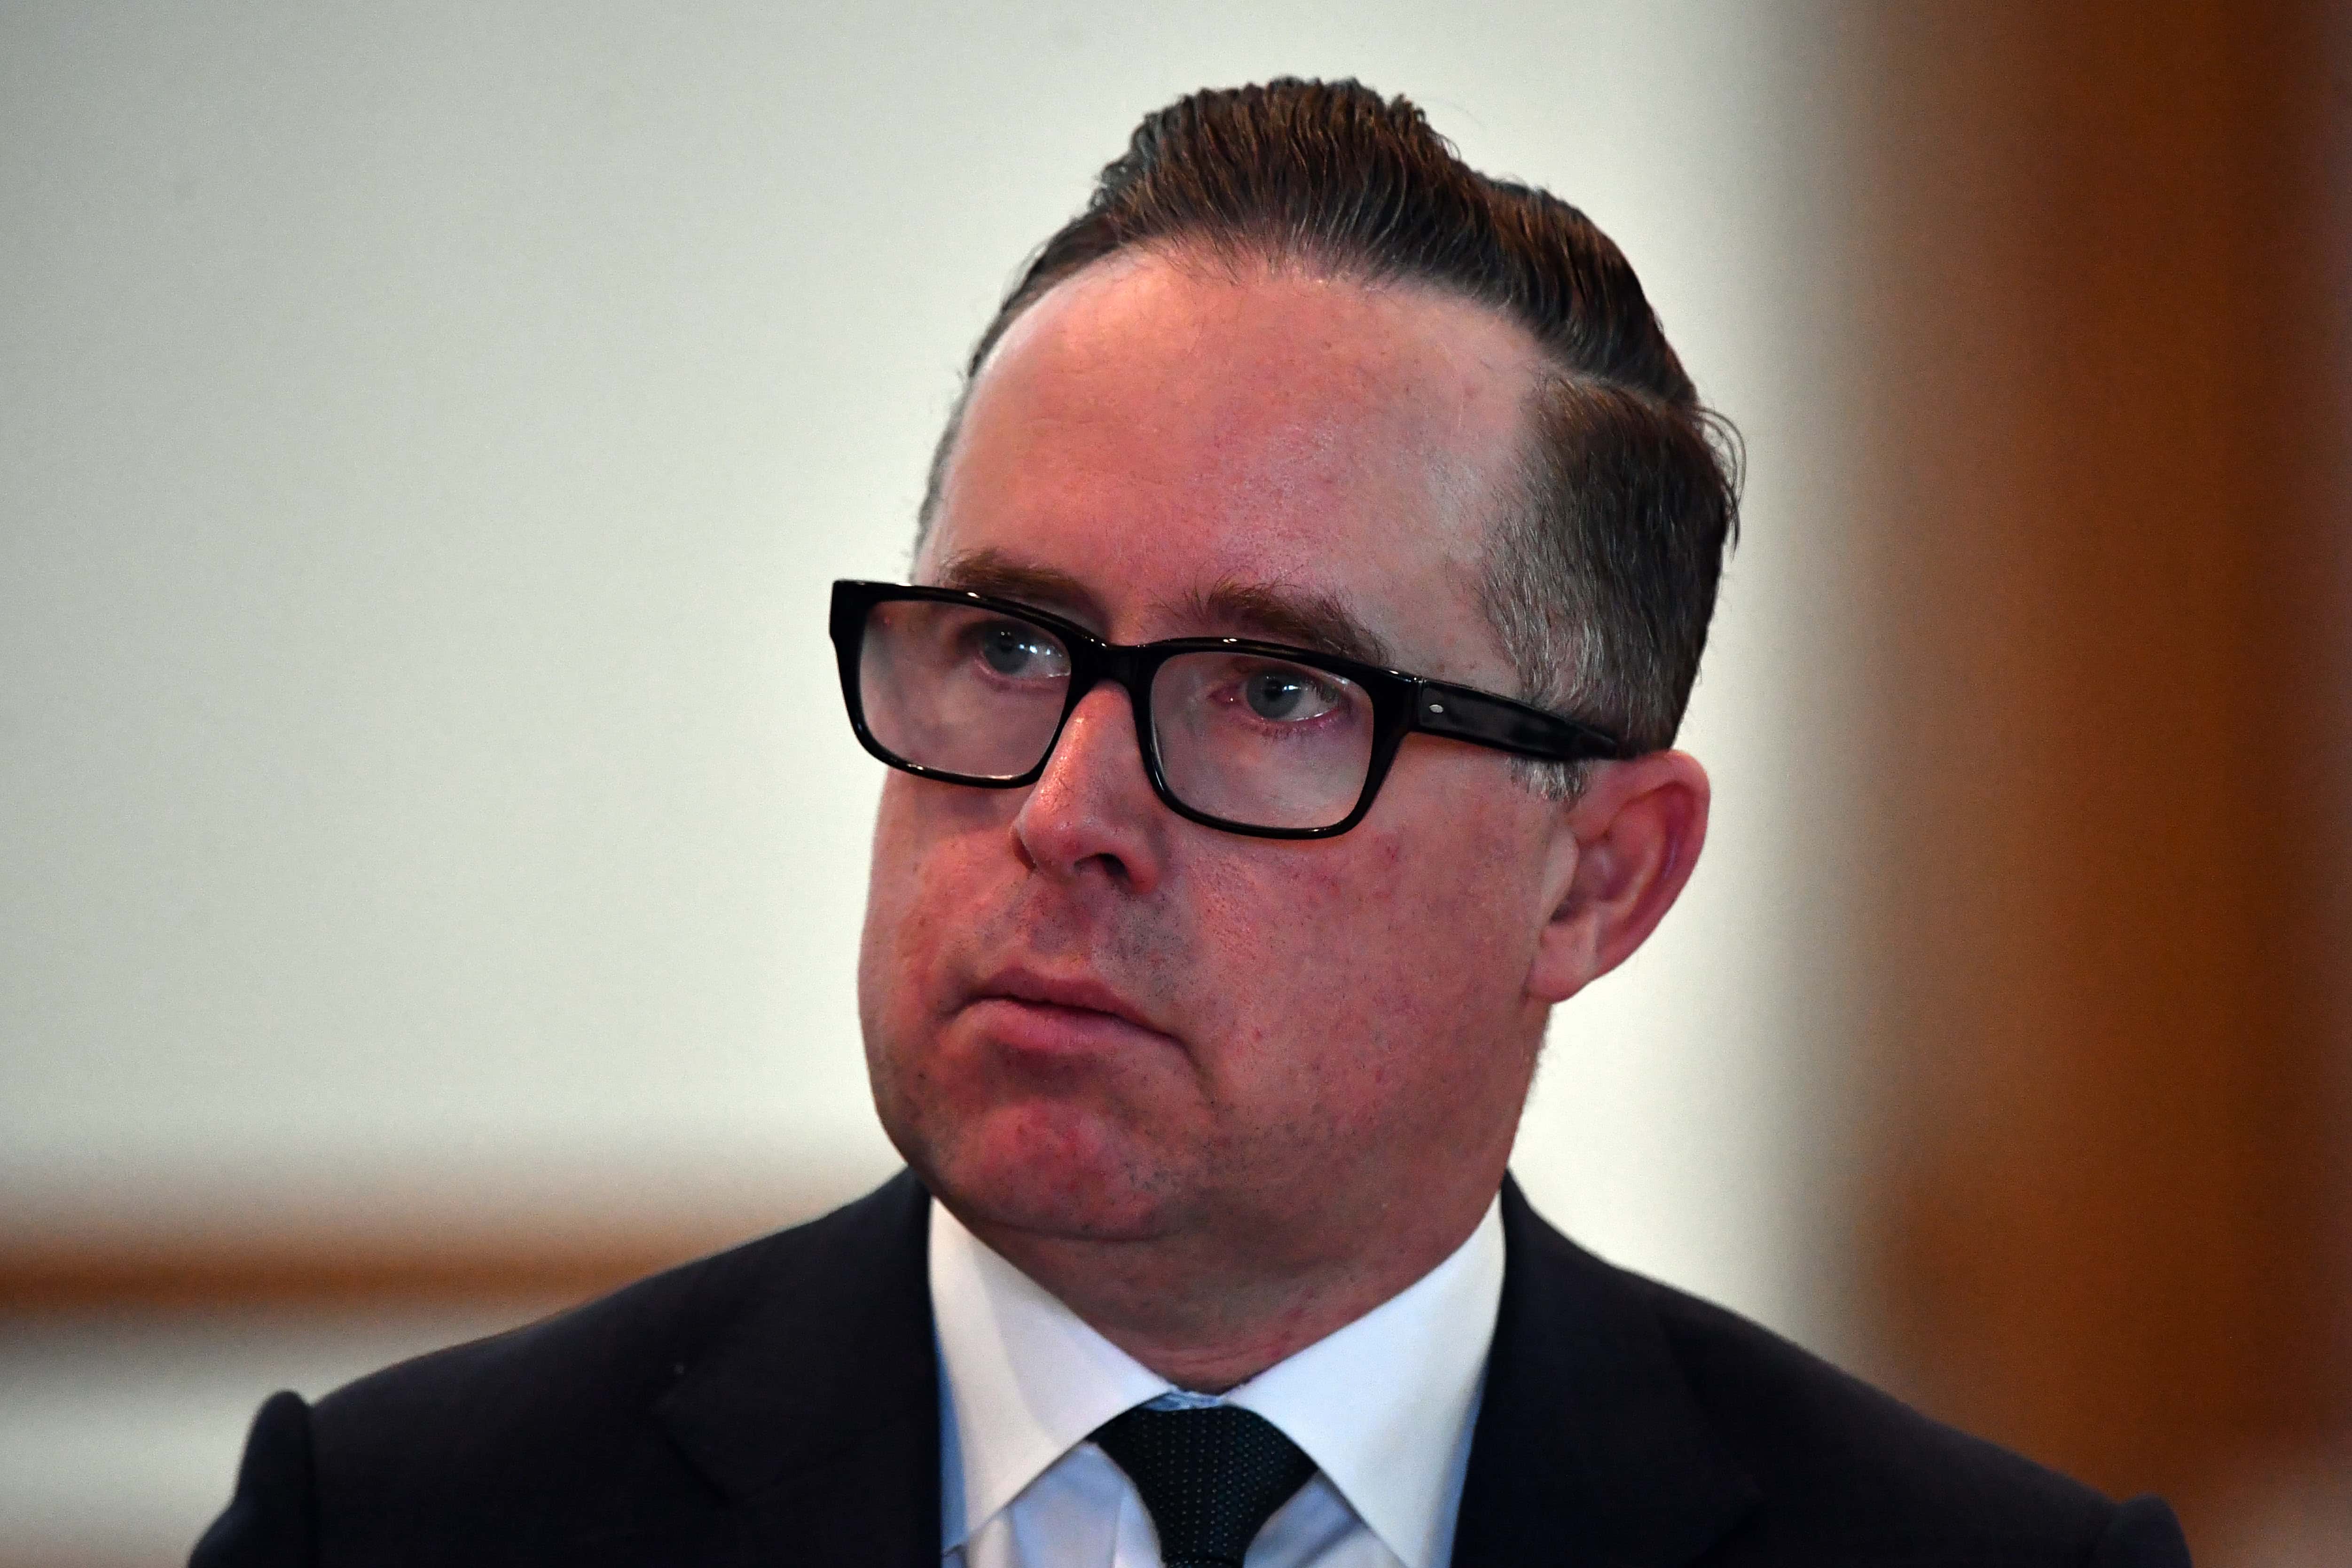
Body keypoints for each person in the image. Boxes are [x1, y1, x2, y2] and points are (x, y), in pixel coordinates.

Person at [193, 79, 2191, 1568]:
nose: (1066, 814)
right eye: (1006, 644)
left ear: (1597, 878)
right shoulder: (397, 1526)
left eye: (1276, 693)